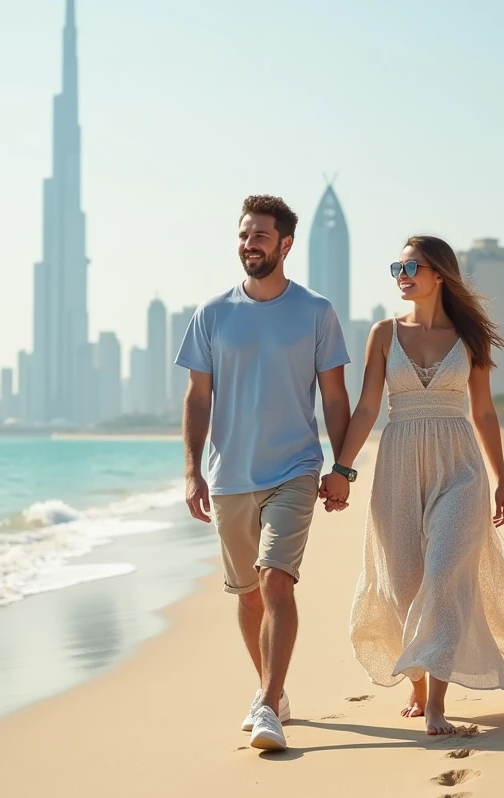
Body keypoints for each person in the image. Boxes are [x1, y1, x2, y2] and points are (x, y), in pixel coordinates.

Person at [320, 235, 504, 736]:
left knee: (444, 577)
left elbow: (484, 411)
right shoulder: (383, 334)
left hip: (460, 465)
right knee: (404, 582)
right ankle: (418, 684)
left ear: (438, 274)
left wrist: (502, 478)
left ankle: (438, 702)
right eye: (396, 267)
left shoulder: (470, 338)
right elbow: (366, 408)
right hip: (399, 464)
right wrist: (342, 467)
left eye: (411, 266)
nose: (401, 275)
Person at [176, 194, 351, 751]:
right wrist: (191, 470)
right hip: (228, 475)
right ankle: (271, 689)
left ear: (285, 244)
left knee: (277, 579)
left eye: (260, 236)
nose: (249, 244)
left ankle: (269, 706)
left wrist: (342, 466)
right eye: (244, 235)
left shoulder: (316, 311)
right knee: (247, 594)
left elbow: (335, 395)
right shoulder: (212, 313)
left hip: (295, 468)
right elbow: (197, 397)